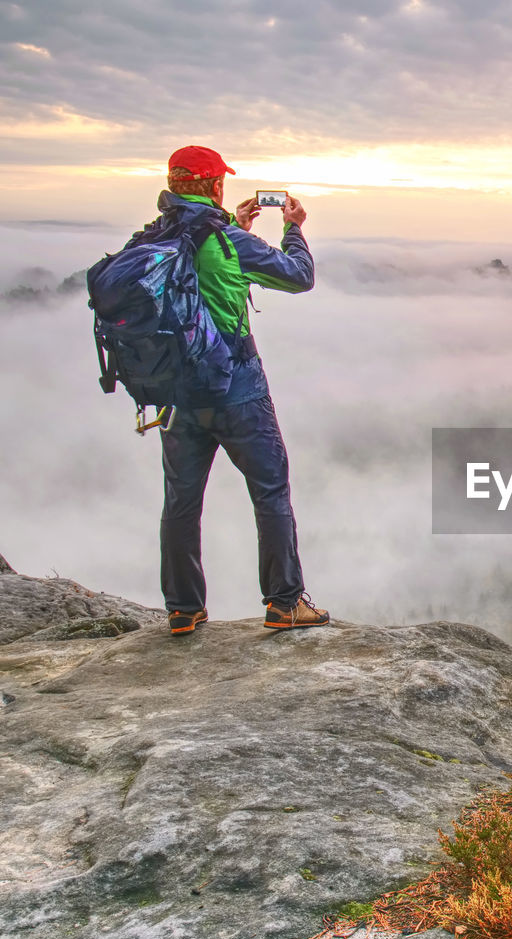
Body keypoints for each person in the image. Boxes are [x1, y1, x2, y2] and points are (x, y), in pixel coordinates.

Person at [156, 145, 329, 635]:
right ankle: (284, 604)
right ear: (214, 185)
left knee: (181, 501)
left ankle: (183, 610)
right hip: (237, 390)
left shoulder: (153, 239)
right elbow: (299, 278)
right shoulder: (226, 240)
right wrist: (293, 228)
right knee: (270, 491)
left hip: (176, 396)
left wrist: (234, 227)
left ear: (173, 183)